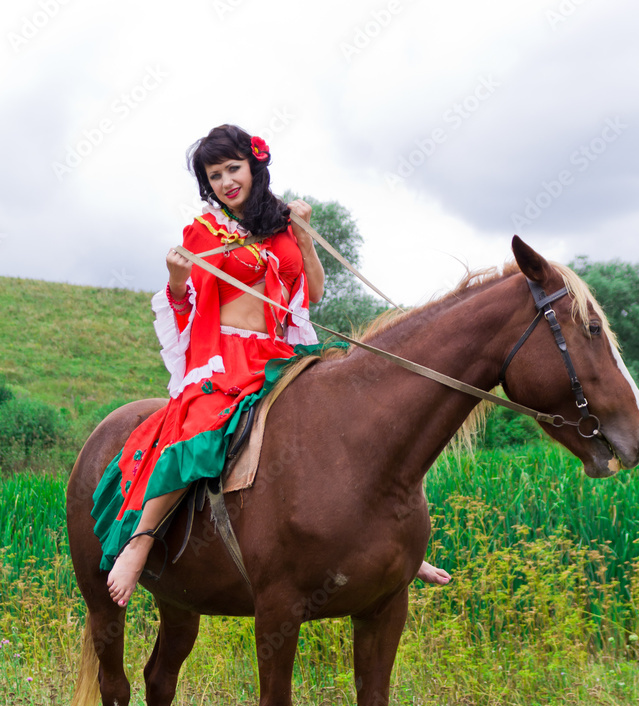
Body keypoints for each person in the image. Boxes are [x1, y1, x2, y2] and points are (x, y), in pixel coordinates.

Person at [95, 124, 449, 606]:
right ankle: (141, 541)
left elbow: (314, 293)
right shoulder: (202, 233)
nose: (225, 182)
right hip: (226, 358)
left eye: (232, 169)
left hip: (280, 356)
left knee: (348, 418)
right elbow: (185, 304)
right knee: (199, 425)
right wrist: (176, 280)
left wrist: (303, 237)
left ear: (254, 167)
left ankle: (382, 539)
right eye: (214, 175)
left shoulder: (283, 225)